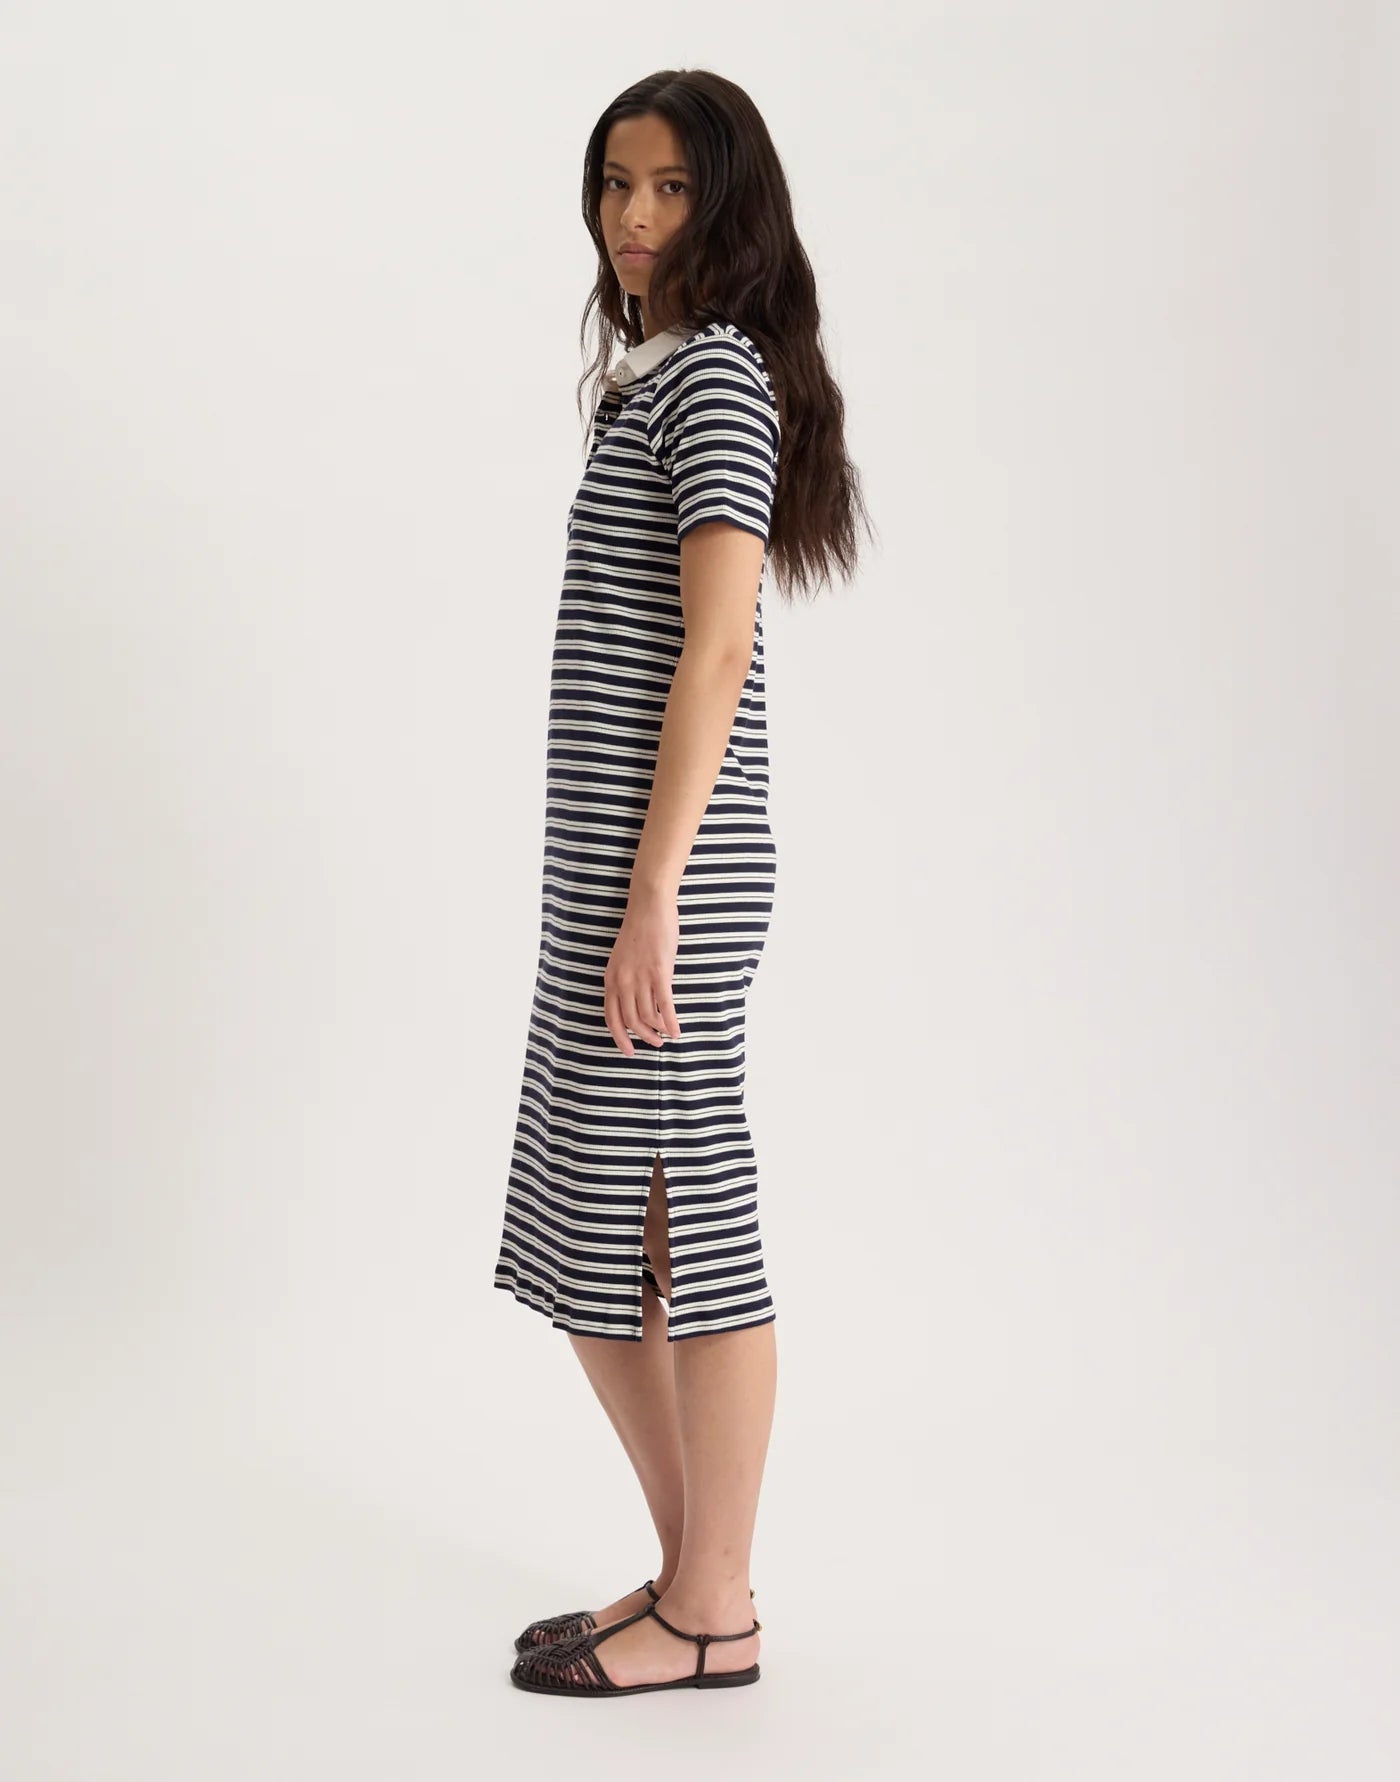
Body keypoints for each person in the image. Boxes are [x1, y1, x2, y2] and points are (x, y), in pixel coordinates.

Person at [494, 68, 871, 1698]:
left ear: (729, 208)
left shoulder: (713, 380)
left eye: (668, 191)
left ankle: (711, 1601)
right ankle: (690, 1574)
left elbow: (718, 647)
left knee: (675, 1219)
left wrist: (653, 893)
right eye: (616, 186)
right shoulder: (650, 380)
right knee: (605, 1226)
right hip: (617, 873)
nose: (635, 220)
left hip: (672, 876)